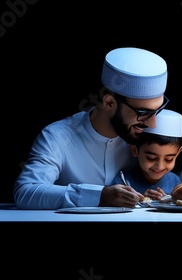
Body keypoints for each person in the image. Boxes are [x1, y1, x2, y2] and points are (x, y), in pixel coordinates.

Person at [14, 47, 170, 209]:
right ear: (109, 102)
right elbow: (25, 192)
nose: (153, 124)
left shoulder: (148, 135)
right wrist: (99, 195)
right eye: (143, 113)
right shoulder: (57, 136)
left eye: (157, 111)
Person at [112, 109, 182, 201]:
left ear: (178, 153)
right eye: (151, 158)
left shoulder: (176, 183)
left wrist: (168, 201)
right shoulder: (124, 180)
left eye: (169, 159)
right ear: (134, 150)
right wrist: (140, 200)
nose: (160, 166)